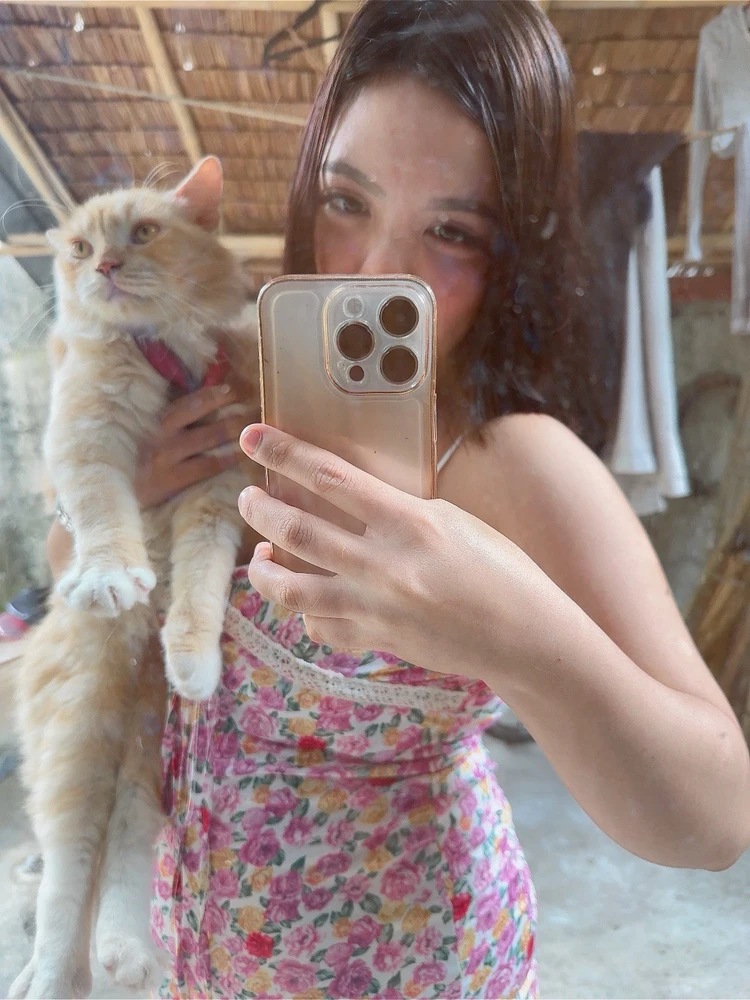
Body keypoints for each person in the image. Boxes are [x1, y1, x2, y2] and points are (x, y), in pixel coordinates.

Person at [45, 2, 750, 998]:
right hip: (191, 954)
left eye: (451, 230)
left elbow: (716, 818)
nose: (377, 268)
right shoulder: (205, 390)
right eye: (345, 200)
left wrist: (515, 633)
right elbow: (70, 602)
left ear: (512, 251)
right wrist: (108, 512)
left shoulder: (514, 462)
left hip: (416, 968)